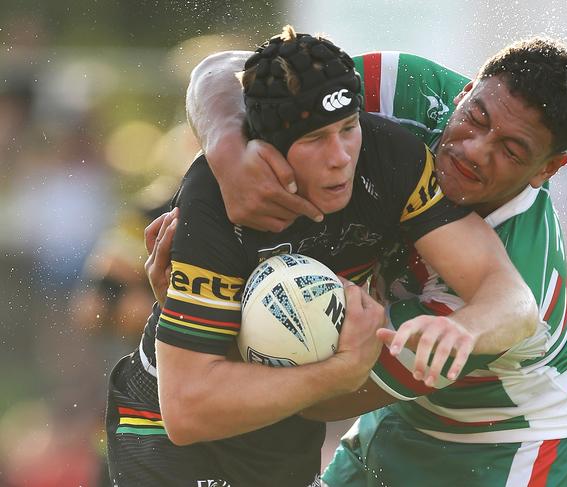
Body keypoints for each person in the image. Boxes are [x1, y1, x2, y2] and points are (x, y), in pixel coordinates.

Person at [106, 26, 537, 487]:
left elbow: (514, 301)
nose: (340, 157)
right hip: (168, 439)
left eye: (348, 128)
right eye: (314, 140)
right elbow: (187, 409)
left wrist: (464, 328)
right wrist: (341, 372)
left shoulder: (389, 157)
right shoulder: (215, 199)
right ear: (267, 143)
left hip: (282, 432)